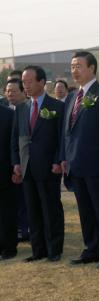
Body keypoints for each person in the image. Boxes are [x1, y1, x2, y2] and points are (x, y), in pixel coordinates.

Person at [60, 51, 99, 269]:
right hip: (75, 163)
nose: (74, 70)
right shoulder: (70, 97)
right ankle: (91, 249)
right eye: (72, 66)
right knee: (85, 211)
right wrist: (63, 157)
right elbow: (65, 131)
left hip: (96, 164)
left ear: (92, 68)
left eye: (78, 66)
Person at [11, 65, 65, 262]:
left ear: (42, 82)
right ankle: (38, 250)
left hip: (49, 167)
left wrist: (58, 160)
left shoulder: (57, 106)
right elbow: (16, 138)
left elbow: (61, 138)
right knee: (32, 211)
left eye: (29, 81)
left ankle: (54, 249)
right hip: (27, 168)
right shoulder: (22, 107)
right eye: (23, 82)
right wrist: (16, 162)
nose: (26, 85)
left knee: (51, 210)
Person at [4, 78, 29, 241]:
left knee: (24, 200)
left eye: (13, 90)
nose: (10, 94)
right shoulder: (6, 111)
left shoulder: (25, 110)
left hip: (24, 164)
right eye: (8, 91)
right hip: (8, 164)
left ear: (22, 92)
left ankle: (25, 229)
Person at [0, 104, 18, 260]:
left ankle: (9, 247)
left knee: (7, 212)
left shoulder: (9, 115)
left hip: (5, 172)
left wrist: (14, 168)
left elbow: (14, 144)